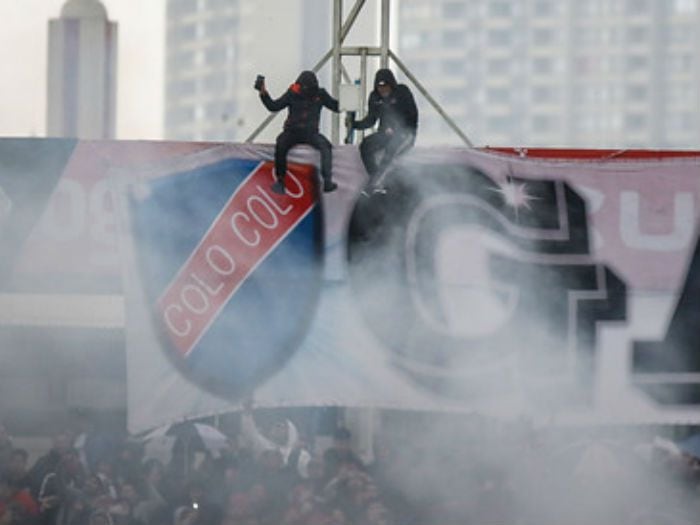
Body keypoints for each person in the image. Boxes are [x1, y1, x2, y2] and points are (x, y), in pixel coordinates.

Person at [255, 71, 340, 194]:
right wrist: (263, 92)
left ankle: (327, 180)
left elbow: (336, 107)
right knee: (281, 143)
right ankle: (280, 180)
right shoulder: (293, 93)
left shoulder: (320, 94)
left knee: (325, 146)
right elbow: (274, 106)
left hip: (311, 133)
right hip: (292, 131)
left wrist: (349, 98)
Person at [350, 68, 418, 188]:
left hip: (404, 133)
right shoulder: (375, 97)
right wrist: (354, 124)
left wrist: (400, 129)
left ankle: (381, 182)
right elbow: (371, 120)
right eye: (380, 87)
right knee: (365, 145)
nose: (383, 90)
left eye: (385, 86)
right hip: (385, 134)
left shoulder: (402, 92)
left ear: (391, 85)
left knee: (391, 150)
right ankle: (375, 177)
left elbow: (413, 114)